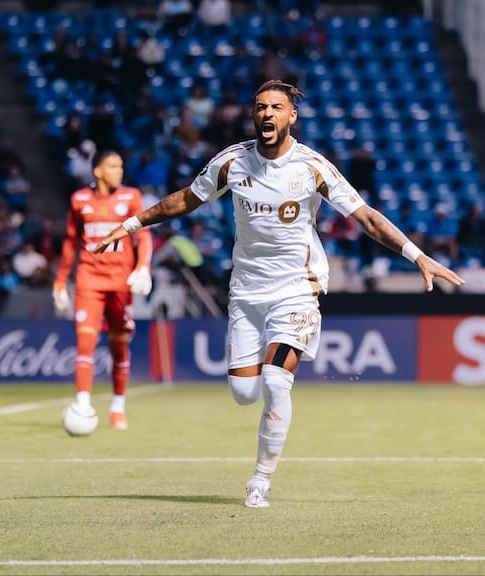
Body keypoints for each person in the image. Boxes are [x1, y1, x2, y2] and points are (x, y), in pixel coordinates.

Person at [93, 80, 465, 507]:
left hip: (296, 289)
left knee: (275, 381)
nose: (267, 114)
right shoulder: (232, 163)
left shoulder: (311, 168)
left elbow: (365, 217)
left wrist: (417, 256)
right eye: (260, 107)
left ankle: (260, 481)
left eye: (276, 108)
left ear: (292, 117)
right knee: (244, 393)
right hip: (246, 292)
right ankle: (261, 432)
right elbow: (184, 201)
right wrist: (131, 225)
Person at [53, 150, 153, 431]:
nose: (119, 170)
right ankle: (82, 404)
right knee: (85, 341)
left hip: (121, 282)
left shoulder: (131, 197)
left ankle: (117, 407)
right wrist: (60, 280)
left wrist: (143, 266)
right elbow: (71, 243)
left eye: (121, 165)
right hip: (89, 280)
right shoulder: (79, 200)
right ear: (97, 171)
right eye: (112, 166)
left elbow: (143, 235)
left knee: (119, 345)